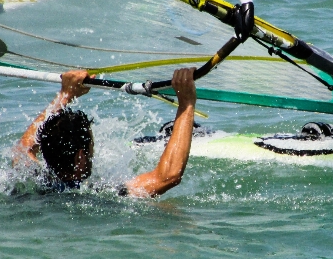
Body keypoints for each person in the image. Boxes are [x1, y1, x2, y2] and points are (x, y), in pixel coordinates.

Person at [13, 67, 197, 197]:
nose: (93, 151)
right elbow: (167, 177)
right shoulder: (98, 194)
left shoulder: (39, 182)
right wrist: (187, 103)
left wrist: (65, 95)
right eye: (91, 146)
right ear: (80, 157)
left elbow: (22, 150)